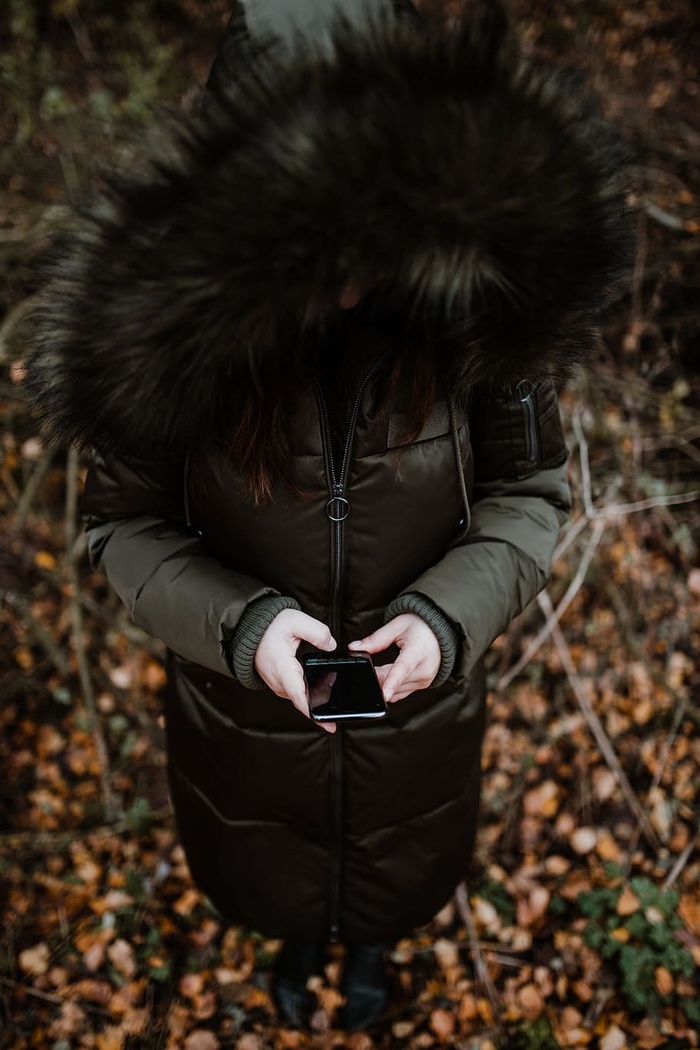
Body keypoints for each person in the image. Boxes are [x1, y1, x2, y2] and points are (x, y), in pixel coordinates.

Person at [25, 0, 631, 1031]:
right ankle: (299, 946)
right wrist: (247, 630)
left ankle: (372, 955)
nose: (350, 276)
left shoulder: (482, 310)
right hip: (243, 723)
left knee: (392, 861)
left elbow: (530, 494)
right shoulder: (158, 341)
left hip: (418, 727)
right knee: (278, 872)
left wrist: (444, 622)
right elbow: (122, 529)